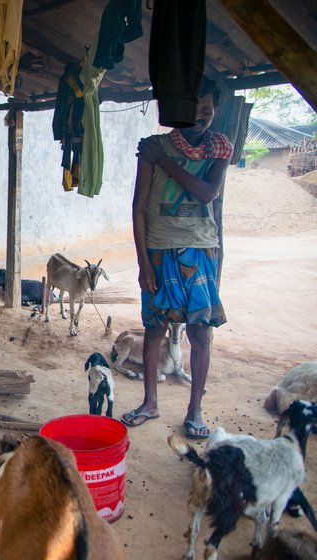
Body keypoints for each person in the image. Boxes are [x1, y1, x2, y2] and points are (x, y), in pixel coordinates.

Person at [120, 77, 233, 439]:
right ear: (179, 107)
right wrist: (142, 263)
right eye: (195, 105)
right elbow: (138, 208)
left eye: (208, 106)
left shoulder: (219, 148)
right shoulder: (154, 145)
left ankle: (195, 411)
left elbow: (206, 193)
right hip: (158, 249)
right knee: (154, 329)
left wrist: (165, 163)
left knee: (201, 332)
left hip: (200, 250)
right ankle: (150, 402)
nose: (202, 113)